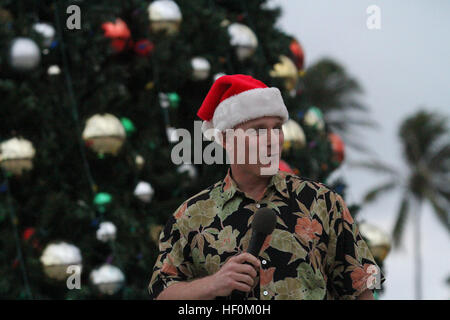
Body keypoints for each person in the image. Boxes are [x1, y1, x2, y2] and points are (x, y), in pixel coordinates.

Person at [148, 74, 385, 300]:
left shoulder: (322, 202)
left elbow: (362, 287)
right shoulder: (190, 215)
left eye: (277, 128)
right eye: (259, 129)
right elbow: (162, 291)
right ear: (226, 139)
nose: (273, 139)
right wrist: (213, 284)